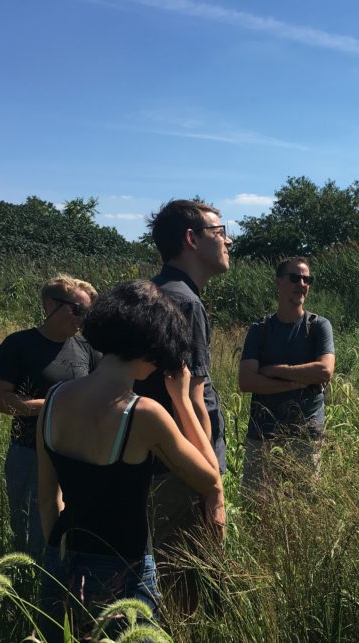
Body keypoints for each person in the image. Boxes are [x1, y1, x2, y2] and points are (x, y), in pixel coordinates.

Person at [35, 280, 223, 643]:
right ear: (154, 350)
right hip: (126, 570)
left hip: (63, 554)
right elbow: (209, 478)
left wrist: (58, 558)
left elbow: (46, 497)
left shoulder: (55, 399)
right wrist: (183, 400)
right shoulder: (144, 414)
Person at [134, 199, 231, 609]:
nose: (228, 240)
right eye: (219, 231)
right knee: (189, 585)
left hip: (152, 465)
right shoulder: (186, 303)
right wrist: (212, 485)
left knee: (164, 574)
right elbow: (190, 399)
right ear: (191, 239)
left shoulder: (150, 293)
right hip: (184, 472)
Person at [0, 274, 99, 555]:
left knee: (75, 532)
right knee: (31, 535)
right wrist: (50, 404)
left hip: (77, 455)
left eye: (87, 312)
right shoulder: (19, 345)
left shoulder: (87, 349)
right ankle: (35, 590)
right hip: (29, 452)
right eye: (77, 309)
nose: (82, 318)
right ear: (50, 305)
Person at [237, 258, 335, 495]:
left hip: (305, 437)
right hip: (263, 435)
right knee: (257, 509)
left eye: (307, 279)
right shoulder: (260, 330)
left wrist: (274, 371)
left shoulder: (319, 327)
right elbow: (247, 381)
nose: (302, 284)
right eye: (295, 278)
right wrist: (299, 381)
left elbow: (324, 371)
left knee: (304, 510)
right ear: (279, 282)